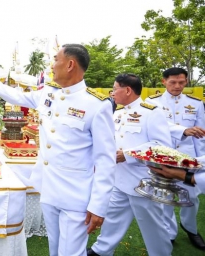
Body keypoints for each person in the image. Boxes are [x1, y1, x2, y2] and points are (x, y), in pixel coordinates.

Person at [0, 44, 116, 256]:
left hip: (76, 196)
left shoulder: (96, 105)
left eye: (56, 59)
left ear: (70, 64)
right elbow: (16, 96)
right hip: (49, 190)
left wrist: (99, 206)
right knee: (54, 250)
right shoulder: (49, 93)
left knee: (71, 253)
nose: (52, 65)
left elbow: (105, 161)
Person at [87, 73, 173, 256]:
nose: (112, 93)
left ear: (127, 90)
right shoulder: (116, 113)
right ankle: (100, 251)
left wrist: (128, 155)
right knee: (112, 219)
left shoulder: (151, 112)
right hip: (118, 179)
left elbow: (162, 146)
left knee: (153, 227)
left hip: (143, 182)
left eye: (115, 88)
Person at [145, 67, 205, 250]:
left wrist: (200, 161)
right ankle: (169, 232)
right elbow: (156, 127)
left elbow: (201, 135)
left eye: (181, 82)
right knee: (166, 198)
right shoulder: (151, 102)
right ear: (163, 81)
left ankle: (190, 228)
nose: (177, 86)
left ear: (186, 81)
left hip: (189, 158)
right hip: (164, 156)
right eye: (173, 82)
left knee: (192, 199)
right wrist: (183, 130)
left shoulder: (196, 103)